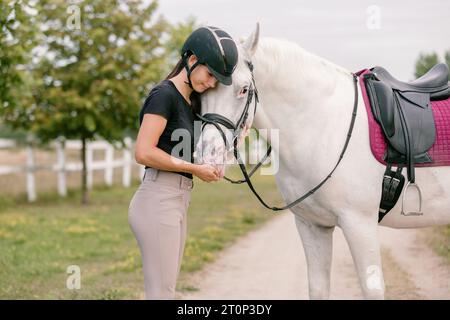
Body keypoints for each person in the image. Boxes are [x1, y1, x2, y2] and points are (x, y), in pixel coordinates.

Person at [128, 26, 239, 299]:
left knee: (166, 291)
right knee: (162, 294)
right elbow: (143, 152)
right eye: (210, 74)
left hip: (178, 199)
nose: (212, 83)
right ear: (192, 60)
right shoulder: (163, 95)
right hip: (157, 200)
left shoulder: (189, 103)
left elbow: (191, 148)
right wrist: (194, 169)